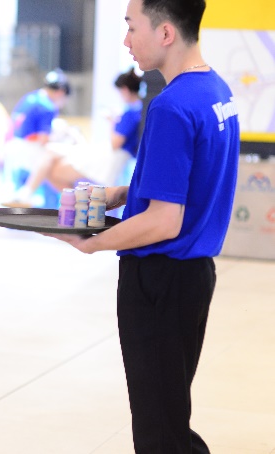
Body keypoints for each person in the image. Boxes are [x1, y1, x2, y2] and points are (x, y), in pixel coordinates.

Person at [43, 0, 239, 452]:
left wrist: (92, 243)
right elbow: (192, 178)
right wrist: (125, 192)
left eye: (132, 28)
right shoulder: (215, 90)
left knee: (159, 432)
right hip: (193, 278)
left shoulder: (170, 106)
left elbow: (164, 221)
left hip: (159, 281)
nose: (126, 41)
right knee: (170, 416)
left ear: (166, 33)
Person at [9, 68, 143, 201]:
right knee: (51, 164)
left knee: (51, 166)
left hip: (108, 160)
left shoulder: (130, 113)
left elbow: (115, 144)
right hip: (108, 157)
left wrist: (112, 122)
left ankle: (29, 193)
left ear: (124, 90)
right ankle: (34, 195)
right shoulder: (136, 110)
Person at [2, 68, 74, 205]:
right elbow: (43, 139)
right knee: (55, 165)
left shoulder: (31, 97)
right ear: (61, 92)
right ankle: (70, 202)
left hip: (12, 145)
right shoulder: (47, 106)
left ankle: (26, 193)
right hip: (26, 150)